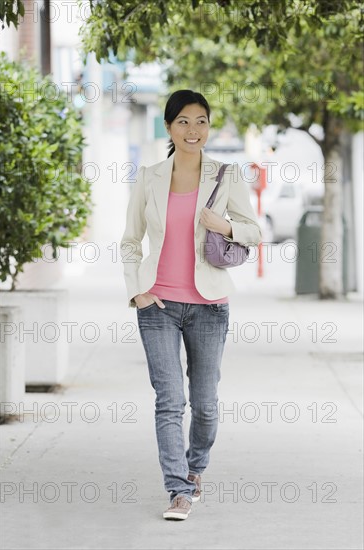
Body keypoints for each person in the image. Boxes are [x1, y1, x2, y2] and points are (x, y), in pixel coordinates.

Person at [120, 89, 262, 520]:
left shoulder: (227, 174)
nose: (192, 129)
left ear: (209, 126)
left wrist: (224, 225)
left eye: (200, 120)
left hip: (209, 306)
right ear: (168, 127)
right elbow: (130, 241)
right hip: (158, 304)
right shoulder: (148, 176)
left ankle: (196, 467)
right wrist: (137, 291)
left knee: (204, 403)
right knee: (169, 399)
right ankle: (178, 490)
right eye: (183, 121)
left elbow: (254, 232)